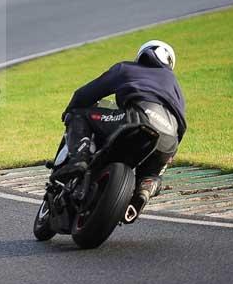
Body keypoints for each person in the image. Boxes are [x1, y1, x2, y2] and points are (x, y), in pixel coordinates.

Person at [53, 40, 186, 214]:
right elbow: (182, 125)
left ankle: (79, 160)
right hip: (170, 138)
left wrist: (69, 111)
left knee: (80, 115)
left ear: (141, 55)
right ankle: (146, 186)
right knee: (151, 173)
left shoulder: (126, 68)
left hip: (138, 118)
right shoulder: (175, 85)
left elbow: (86, 93)